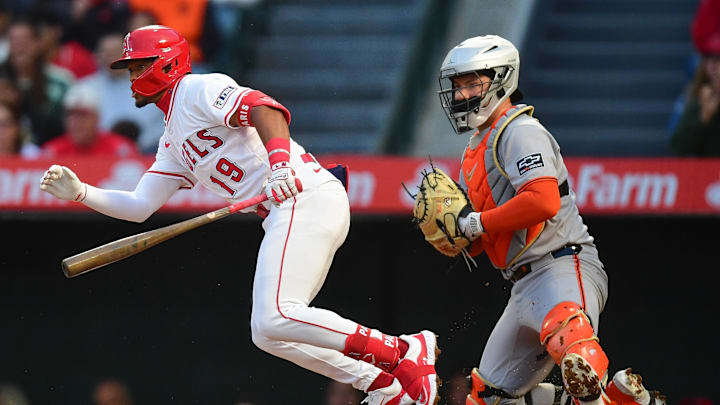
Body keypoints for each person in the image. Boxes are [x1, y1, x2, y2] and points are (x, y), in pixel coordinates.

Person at [39, 25, 439, 405]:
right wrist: (80, 192)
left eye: (139, 65)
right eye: (131, 68)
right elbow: (140, 207)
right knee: (268, 332)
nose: (132, 76)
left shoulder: (196, 89)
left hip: (302, 193)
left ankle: (402, 351)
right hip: (285, 210)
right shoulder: (171, 139)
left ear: (166, 62)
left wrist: (280, 165)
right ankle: (382, 381)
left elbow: (267, 110)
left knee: (278, 315)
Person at [435, 35, 665, 405]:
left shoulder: (520, 131)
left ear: (501, 79)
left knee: (576, 355)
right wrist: (454, 233)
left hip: (562, 263)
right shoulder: (472, 152)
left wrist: (475, 223)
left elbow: (542, 202)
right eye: (458, 85)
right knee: (488, 399)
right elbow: (483, 240)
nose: (462, 95)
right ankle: (624, 402)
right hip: (522, 285)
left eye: (471, 83)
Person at [80, 32, 165, 153]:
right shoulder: (85, 87)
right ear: (97, 56)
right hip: (100, 152)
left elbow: (161, 126)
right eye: (106, 53)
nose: (111, 57)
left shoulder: (153, 86)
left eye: (116, 52)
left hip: (147, 151)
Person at [670, 0, 720, 156]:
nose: (715, 67)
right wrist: (703, 117)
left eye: (719, 59)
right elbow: (678, 149)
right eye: (710, 59)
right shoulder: (698, 99)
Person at [42, 82, 139, 157]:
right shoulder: (52, 152)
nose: (75, 122)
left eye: (82, 115)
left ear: (97, 118)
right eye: (70, 115)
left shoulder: (120, 150)